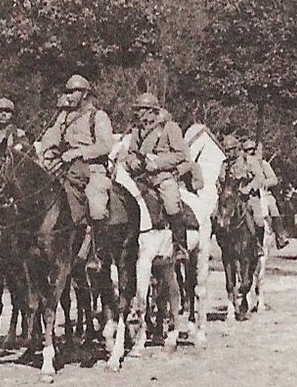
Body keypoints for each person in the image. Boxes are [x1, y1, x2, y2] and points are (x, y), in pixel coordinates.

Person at [35, 74, 116, 236]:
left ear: (85, 94)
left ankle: (96, 252)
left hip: (93, 170)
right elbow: (51, 138)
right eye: (67, 92)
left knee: (97, 208)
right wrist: (46, 153)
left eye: (73, 92)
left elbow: (105, 145)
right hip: (66, 170)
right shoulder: (63, 117)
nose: (68, 96)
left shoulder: (98, 116)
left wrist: (77, 153)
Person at [123, 93, 190, 262]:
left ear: (153, 111)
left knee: (171, 204)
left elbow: (181, 154)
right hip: (141, 176)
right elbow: (131, 152)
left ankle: (180, 246)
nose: (138, 113)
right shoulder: (137, 129)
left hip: (162, 176)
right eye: (137, 110)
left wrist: (159, 163)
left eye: (142, 110)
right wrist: (132, 162)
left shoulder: (169, 127)